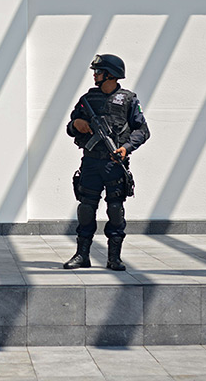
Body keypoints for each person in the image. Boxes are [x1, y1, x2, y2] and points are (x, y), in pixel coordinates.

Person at [64, 54, 149, 271]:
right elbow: (70, 127)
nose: (95, 75)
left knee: (115, 209)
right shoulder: (87, 100)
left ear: (110, 74)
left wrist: (126, 148)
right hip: (91, 163)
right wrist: (78, 123)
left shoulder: (128, 100)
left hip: (114, 165)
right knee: (85, 209)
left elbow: (142, 130)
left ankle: (114, 258)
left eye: (98, 71)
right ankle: (82, 255)